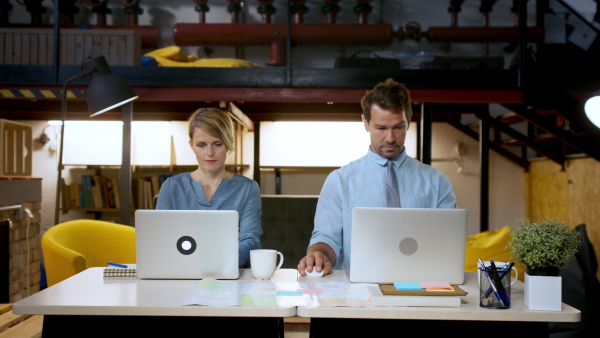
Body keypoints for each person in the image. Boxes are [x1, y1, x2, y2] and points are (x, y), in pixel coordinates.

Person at [297, 78, 457, 276]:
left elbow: (449, 243)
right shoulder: (339, 181)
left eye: (398, 127)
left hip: (421, 285)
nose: (390, 138)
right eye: (381, 128)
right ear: (365, 123)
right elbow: (327, 237)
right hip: (358, 291)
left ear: (409, 119)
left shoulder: (437, 183)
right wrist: (318, 254)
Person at [156, 107, 262, 267]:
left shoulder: (248, 188)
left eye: (217, 144)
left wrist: (224, 264)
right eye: (201, 145)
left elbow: (250, 239)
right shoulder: (172, 187)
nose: (209, 153)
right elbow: (161, 239)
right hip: (180, 271)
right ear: (191, 145)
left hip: (230, 272)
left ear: (228, 144)